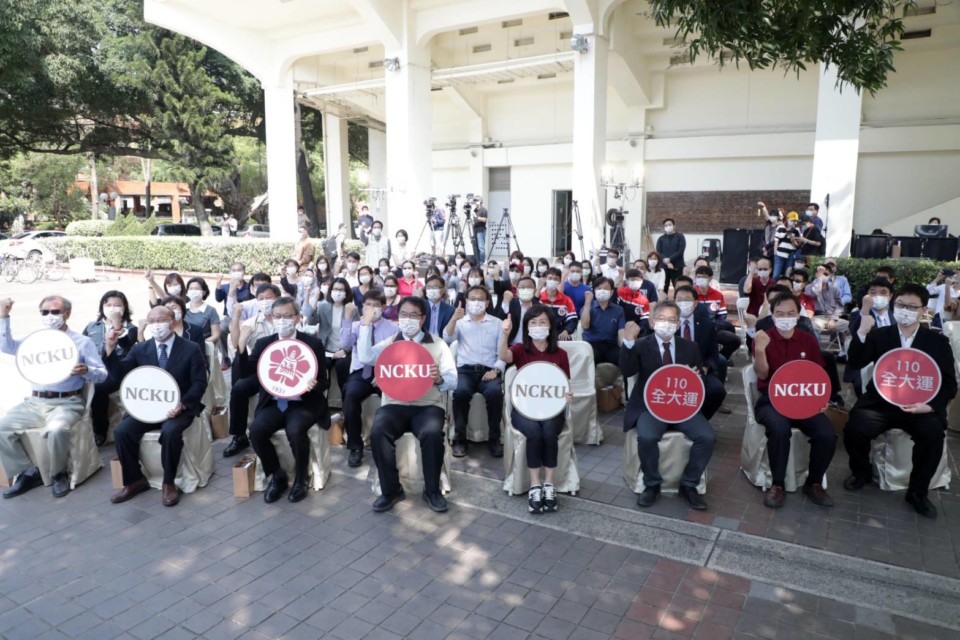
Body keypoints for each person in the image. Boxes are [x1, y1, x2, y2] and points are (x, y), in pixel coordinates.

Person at [843, 284, 957, 519]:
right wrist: (862, 333)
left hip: (919, 407)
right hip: (882, 404)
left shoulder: (936, 342)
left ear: (923, 310)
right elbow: (855, 361)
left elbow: (948, 384)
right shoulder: (880, 335)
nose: (904, 310)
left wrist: (930, 406)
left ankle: (917, 493)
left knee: (933, 435)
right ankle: (861, 473)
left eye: (911, 307)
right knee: (855, 427)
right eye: (901, 305)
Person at [0, 296, 108, 498]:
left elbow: (102, 375)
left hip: (68, 402)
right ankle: (27, 472)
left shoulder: (82, 342)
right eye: (45, 312)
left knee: (57, 429)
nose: (50, 316)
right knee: (2, 427)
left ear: (67, 313)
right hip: (35, 402)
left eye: (55, 312)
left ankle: (58, 474)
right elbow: (6, 347)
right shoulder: (36, 340)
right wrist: (4, 316)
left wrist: (86, 370)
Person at [358, 296, 457, 513]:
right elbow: (365, 357)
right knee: (378, 431)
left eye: (414, 315)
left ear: (423, 318)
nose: (408, 319)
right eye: (403, 314)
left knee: (432, 434)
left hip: (428, 405)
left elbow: (453, 380)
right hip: (395, 404)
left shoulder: (438, 344)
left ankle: (432, 490)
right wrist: (366, 325)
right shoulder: (390, 343)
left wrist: (439, 378)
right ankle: (391, 489)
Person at [107, 306, 207, 507]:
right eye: (151, 321)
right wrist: (110, 349)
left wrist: (183, 404)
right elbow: (119, 376)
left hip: (179, 407)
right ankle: (134, 480)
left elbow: (199, 382)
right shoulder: (140, 349)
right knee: (122, 432)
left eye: (161, 320)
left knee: (170, 432)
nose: (156, 325)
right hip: (149, 407)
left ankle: (168, 483)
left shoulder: (190, 348)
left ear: (172, 321)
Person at [620, 302, 715, 510]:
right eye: (662, 319)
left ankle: (690, 484)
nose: (668, 324)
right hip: (650, 407)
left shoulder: (690, 347)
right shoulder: (640, 345)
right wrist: (628, 341)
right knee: (647, 437)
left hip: (681, 406)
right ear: (652, 321)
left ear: (679, 324)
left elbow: (702, 384)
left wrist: (697, 378)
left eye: (673, 320)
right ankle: (652, 484)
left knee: (706, 437)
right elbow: (627, 371)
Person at [751, 293, 836, 509]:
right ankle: (777, 485)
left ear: (798, 315)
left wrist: (822, 399)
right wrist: (759, 350)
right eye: (779, 313)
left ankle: (814, 482)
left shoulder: (808, 339)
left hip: (804, 400)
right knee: (779, 429)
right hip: (771, 401)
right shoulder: (764, 337)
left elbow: (818, 373)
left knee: (827, 433)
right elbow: (761, 375)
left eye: (790, 313)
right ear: (772, 315)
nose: (785, 317)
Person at [248, 297, 329, 503]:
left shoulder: (313, 343)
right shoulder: (263, 344)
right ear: (271, 318)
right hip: (274, 402)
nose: (282, 320)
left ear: (298, 318)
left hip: (303, 402)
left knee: (296, 430)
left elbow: (323, 381)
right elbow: (249, 373)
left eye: (287, 316)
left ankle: (301, 479)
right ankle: (277, 476)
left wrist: (314, 384)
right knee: (256, 430)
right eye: (277, 316)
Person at [498, 306, 572, 513]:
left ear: (551, 326)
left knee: (549, 432)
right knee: (533, 432)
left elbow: (565, 383)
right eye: (533, 323)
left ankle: (549, 483)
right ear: (526, 327)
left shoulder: (561, 354)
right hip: (524, 409)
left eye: (542, 322)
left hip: (551, 410)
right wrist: (504, 336)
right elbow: (504, 356)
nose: (538, 327)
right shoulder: (521, 350)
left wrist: (568, 395)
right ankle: (534, 485)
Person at [339, 290, 399, 467]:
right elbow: (344, 345)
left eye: (376, 305)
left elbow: (395, 356)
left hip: (385, 371)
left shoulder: (393, 328)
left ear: (384, 307)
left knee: (394, 398)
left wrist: (383, 375)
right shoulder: (357, 325)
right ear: (362, 306)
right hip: (362, 372)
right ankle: (355, 447)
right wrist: (348, 319)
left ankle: (389, 440)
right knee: (350, 395)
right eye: (367, 305)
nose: (371, 309)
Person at [446, 287, 505, 458]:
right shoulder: (461, 322)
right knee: (460, 393)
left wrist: (496, 369)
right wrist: (453, 319)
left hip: (489, 370)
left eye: (480, 299)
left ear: (487, 303)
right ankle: (460, 438)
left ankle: (494, 439)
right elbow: (448, 338)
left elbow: (502, 351)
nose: (476, 302)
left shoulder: (497, 323)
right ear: (466, 301)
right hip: (465, 370)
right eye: (472, 299)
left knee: (495, 393)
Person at [223, 284, 281, 457]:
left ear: (278, 298)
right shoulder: (252, 322)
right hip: (260, 371)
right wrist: (236, 319)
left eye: (269, 298)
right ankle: (239, 435)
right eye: (261, 298)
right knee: (239, 388)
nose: (265, 302)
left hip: (284, 370)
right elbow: (235, 345)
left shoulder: (285, 319)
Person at [84, 291, 138, 446]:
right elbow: (81, 346)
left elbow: (126, 343)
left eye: (117, 305)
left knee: (99, 387)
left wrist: (117, 323)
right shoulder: (92, 326)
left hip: (119, 369)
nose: (112, 308)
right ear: (102, 307)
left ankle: (99, 431)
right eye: (108, 305)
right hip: (95, 367)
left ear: (124, 308)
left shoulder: (131, 328)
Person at [674, 286, 727, 420]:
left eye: (687, 300)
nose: (683, 303)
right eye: (679, 300)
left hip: (699, 369)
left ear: (695, 303)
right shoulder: (668, 324)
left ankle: (700, 419)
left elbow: (713, 353)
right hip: (672, 370)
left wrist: (705, 367)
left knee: (717, 391)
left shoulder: (706, 324)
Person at [580, 277, 625, 366]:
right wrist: (587, 303)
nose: (602, 291)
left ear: (611, 292)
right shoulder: (588, 306)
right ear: (594, 291)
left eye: (606, 288)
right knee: (589, 359)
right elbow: (585, 325)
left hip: (610, 345)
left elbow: (621, 332)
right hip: (592, 345)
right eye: (599, 288)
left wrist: (625, 347)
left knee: (623, 359)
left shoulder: (618, 310)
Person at [807, 264, 849, 338]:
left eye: (825, 274)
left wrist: (833, 319)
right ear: (817, 274)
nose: (823, 276)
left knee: (850, 325)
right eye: (821, 273)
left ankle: (841, 346)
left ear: (830, 276)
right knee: (813, 326)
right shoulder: (809, 287)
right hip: (816, 318)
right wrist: (819, 280)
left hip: (831, 318)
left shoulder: (834, 290)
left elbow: (839, 307)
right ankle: (816, 348)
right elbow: (813, 293)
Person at [538, 268, 577, 339]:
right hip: (542, 333)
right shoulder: (539, 298)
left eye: (556, 279)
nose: (552, 280)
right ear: (545, 279)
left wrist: (567, 330)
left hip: (560, 334)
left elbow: (573, 320)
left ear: (559, 281)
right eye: (550, 278)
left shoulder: (567, 300)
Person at [184, 277, 221, 343]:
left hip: (202, 346)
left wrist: (201, 343)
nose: (193, 291)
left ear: (204, 292)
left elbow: (216, 335)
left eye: (197, 288)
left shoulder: (211, 310)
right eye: (191, 288)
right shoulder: (182, 308)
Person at [655, 219, 686, 287]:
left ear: (674, 226)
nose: (668, 226)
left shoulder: (680, 237)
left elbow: (680, 250)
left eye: (669, 225)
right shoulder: (661, 238)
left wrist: (670, 259)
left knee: (677, 286)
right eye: (666, 225)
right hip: (664, 266)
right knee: (663, 286)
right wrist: (667, 262)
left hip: (677, 266)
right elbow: (659, 252)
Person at [772, 212, 801, 280]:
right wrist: (775, 252)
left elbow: (796, 245)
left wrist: (791, 236)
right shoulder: (780, 228)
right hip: (779, 254)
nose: (794, 222)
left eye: (795, 221)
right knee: (776, 275)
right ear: (787, 219)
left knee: (787, 275)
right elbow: (776, 240)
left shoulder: (797, 230)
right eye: (792, 220)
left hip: (791, 254)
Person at [472, 196, 488, 262]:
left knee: (481, 247)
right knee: (476, 247)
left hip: (481, 230)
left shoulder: (483, 210)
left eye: (476, 200)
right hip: (475, 230)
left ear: (480, 201)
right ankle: (478, 262)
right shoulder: (475, 210)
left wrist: (476, 217)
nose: (475, 202)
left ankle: (482, 262)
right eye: (475, 201)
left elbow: (485, 220)